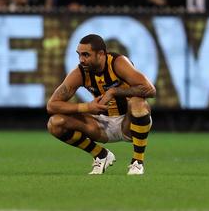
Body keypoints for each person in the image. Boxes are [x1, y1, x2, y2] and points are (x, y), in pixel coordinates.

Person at [46, 34, 156, 175]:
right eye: (79, 55)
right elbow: (52, 105)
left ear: (101, 54)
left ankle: (137, 162)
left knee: (138, 103)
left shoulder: (118, 63)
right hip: (101, 126)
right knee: (55, 123)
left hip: (128, 123)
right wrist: (87, 107)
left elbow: (150, 89)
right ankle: (101, 154)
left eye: (86, 55)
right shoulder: (80, 72)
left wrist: (113, 91)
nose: (81, 60)